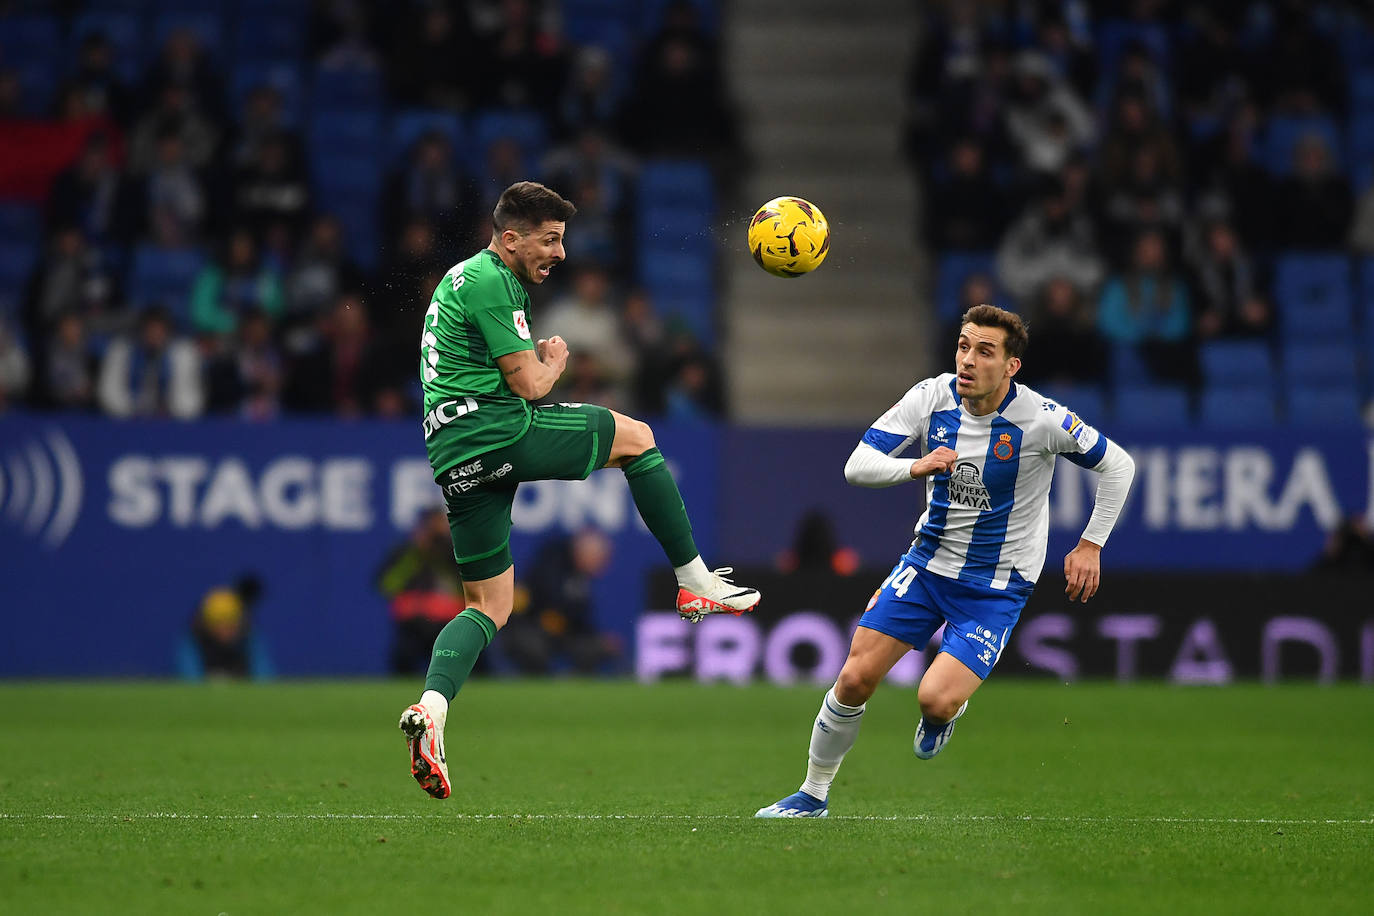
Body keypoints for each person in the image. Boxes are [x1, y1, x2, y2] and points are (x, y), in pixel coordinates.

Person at [398, 181, 760, 799]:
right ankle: (696, 581)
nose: (560, 253)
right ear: (510, 237)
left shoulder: (462, 279)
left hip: (453, 457)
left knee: (489, 606)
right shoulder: (492, 280)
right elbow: (532, 386)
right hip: (496, 433)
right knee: (637, 438)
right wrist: (557, 357)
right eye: (551, 239)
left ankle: (432, 708)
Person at [756, 305, 1135, 818]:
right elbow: (857, 465)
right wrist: (915, 466)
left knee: (933, 698)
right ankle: (812, 794)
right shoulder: (931, 397)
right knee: (852, 680)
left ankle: (942, 715)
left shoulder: (1041, 419)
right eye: (963, 346)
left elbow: (1118, 463)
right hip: (926, 566)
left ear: (1011, 367)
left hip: (995, 587)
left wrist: (1091, 543)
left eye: (985, 351)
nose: (968, 360)